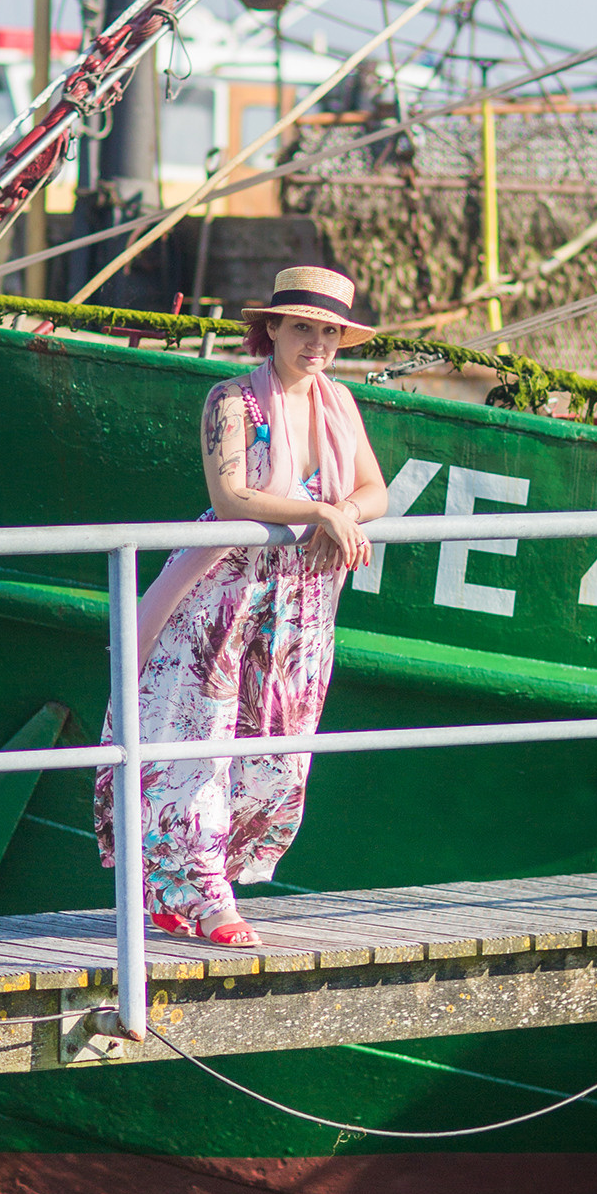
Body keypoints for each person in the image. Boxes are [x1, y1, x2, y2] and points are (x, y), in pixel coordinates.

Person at [94, 265, 390, 947]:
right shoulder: (233, 402)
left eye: (329, 332)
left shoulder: (339, 405)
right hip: (218, 600)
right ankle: (202, 899)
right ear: (273, 329)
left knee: (275, 754)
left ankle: (199, 886)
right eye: (302, 328)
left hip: (301, 603)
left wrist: (344, 513)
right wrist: (321, 510)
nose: (315, 344)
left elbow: (375, 490)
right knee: (196, 739)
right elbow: (232, 499)